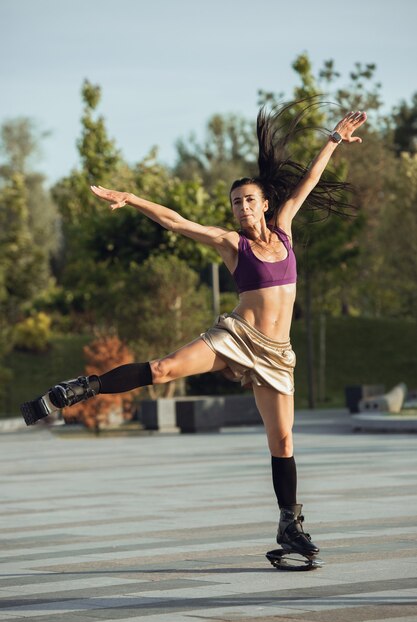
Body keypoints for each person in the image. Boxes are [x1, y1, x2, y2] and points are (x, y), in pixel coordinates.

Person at [21, 102, 367, 559]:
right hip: (237, 338)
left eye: (249, 200)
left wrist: (334, 140)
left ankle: (290, 526)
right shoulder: (231, 244)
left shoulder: (283, 230)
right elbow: (177, 222)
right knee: (164, 369)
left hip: (278, 354)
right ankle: (78, 390)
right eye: (235, 203)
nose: (242, 208)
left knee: (282, 441)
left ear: (265, 203)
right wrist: (132, 199)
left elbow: (309, 181)